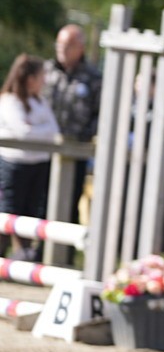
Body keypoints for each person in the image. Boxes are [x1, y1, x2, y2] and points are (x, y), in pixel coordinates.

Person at [0, 55, 61, 260]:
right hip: (13, 164)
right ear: (29, 79)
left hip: (38, 164)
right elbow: (22, 133)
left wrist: (35, 128)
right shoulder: (9, 101)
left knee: (31, 209)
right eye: (41, 75)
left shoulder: (40, 101)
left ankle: (24, 254)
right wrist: (38, 129)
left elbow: (53, 130)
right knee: (9, 209)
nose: (44, 80)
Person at [41, 24, 102, 224]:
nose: (61, 50)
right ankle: (36, 250)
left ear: (80, 48)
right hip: (43, 149)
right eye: (59, 44)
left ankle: (63, 253)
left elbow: (99, 113)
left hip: (77, 151)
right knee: (41, 201)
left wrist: (85, 137)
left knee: (70, 203)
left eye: (67, 45)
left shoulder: (93, 77)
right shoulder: (46, 72)